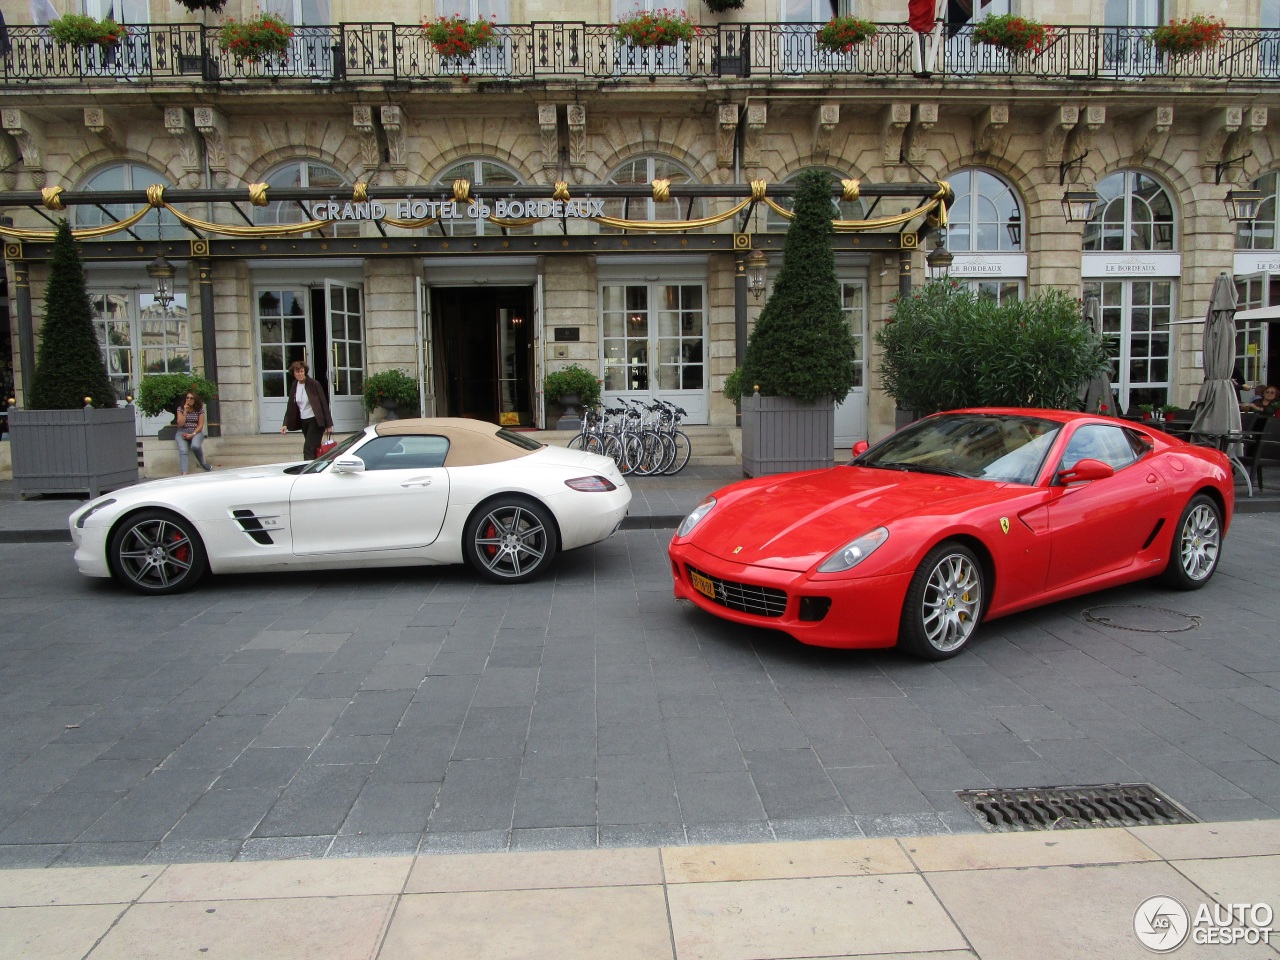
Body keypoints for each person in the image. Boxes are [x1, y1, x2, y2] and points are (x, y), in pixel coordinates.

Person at [280, 359, 333, 458]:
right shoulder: (295, 385)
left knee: (308, 448)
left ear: (305, 372)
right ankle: (316, 469)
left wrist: (328, 424)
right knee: (314, 448)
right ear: (294, 373)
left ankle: (308, 471)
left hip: (316, 421)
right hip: (304, 421)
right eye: (297, 372)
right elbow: (291, 405)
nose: (299, 374)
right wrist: (285, 424)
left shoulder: (314, 384)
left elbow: (323, 404)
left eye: (301, 371)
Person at [175, 391, 212, 474]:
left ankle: (202, 463)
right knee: (183, 450)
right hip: (182, 432)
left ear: (195, 400)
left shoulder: (199, 409)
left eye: (191, 398)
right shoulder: (180, 409)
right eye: (187, 398)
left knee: (195, 446)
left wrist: (192, 434)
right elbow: (180, 423)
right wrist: (185, 411)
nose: (189, 400)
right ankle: (184, 472)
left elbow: (200, 425)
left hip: (196, 432)